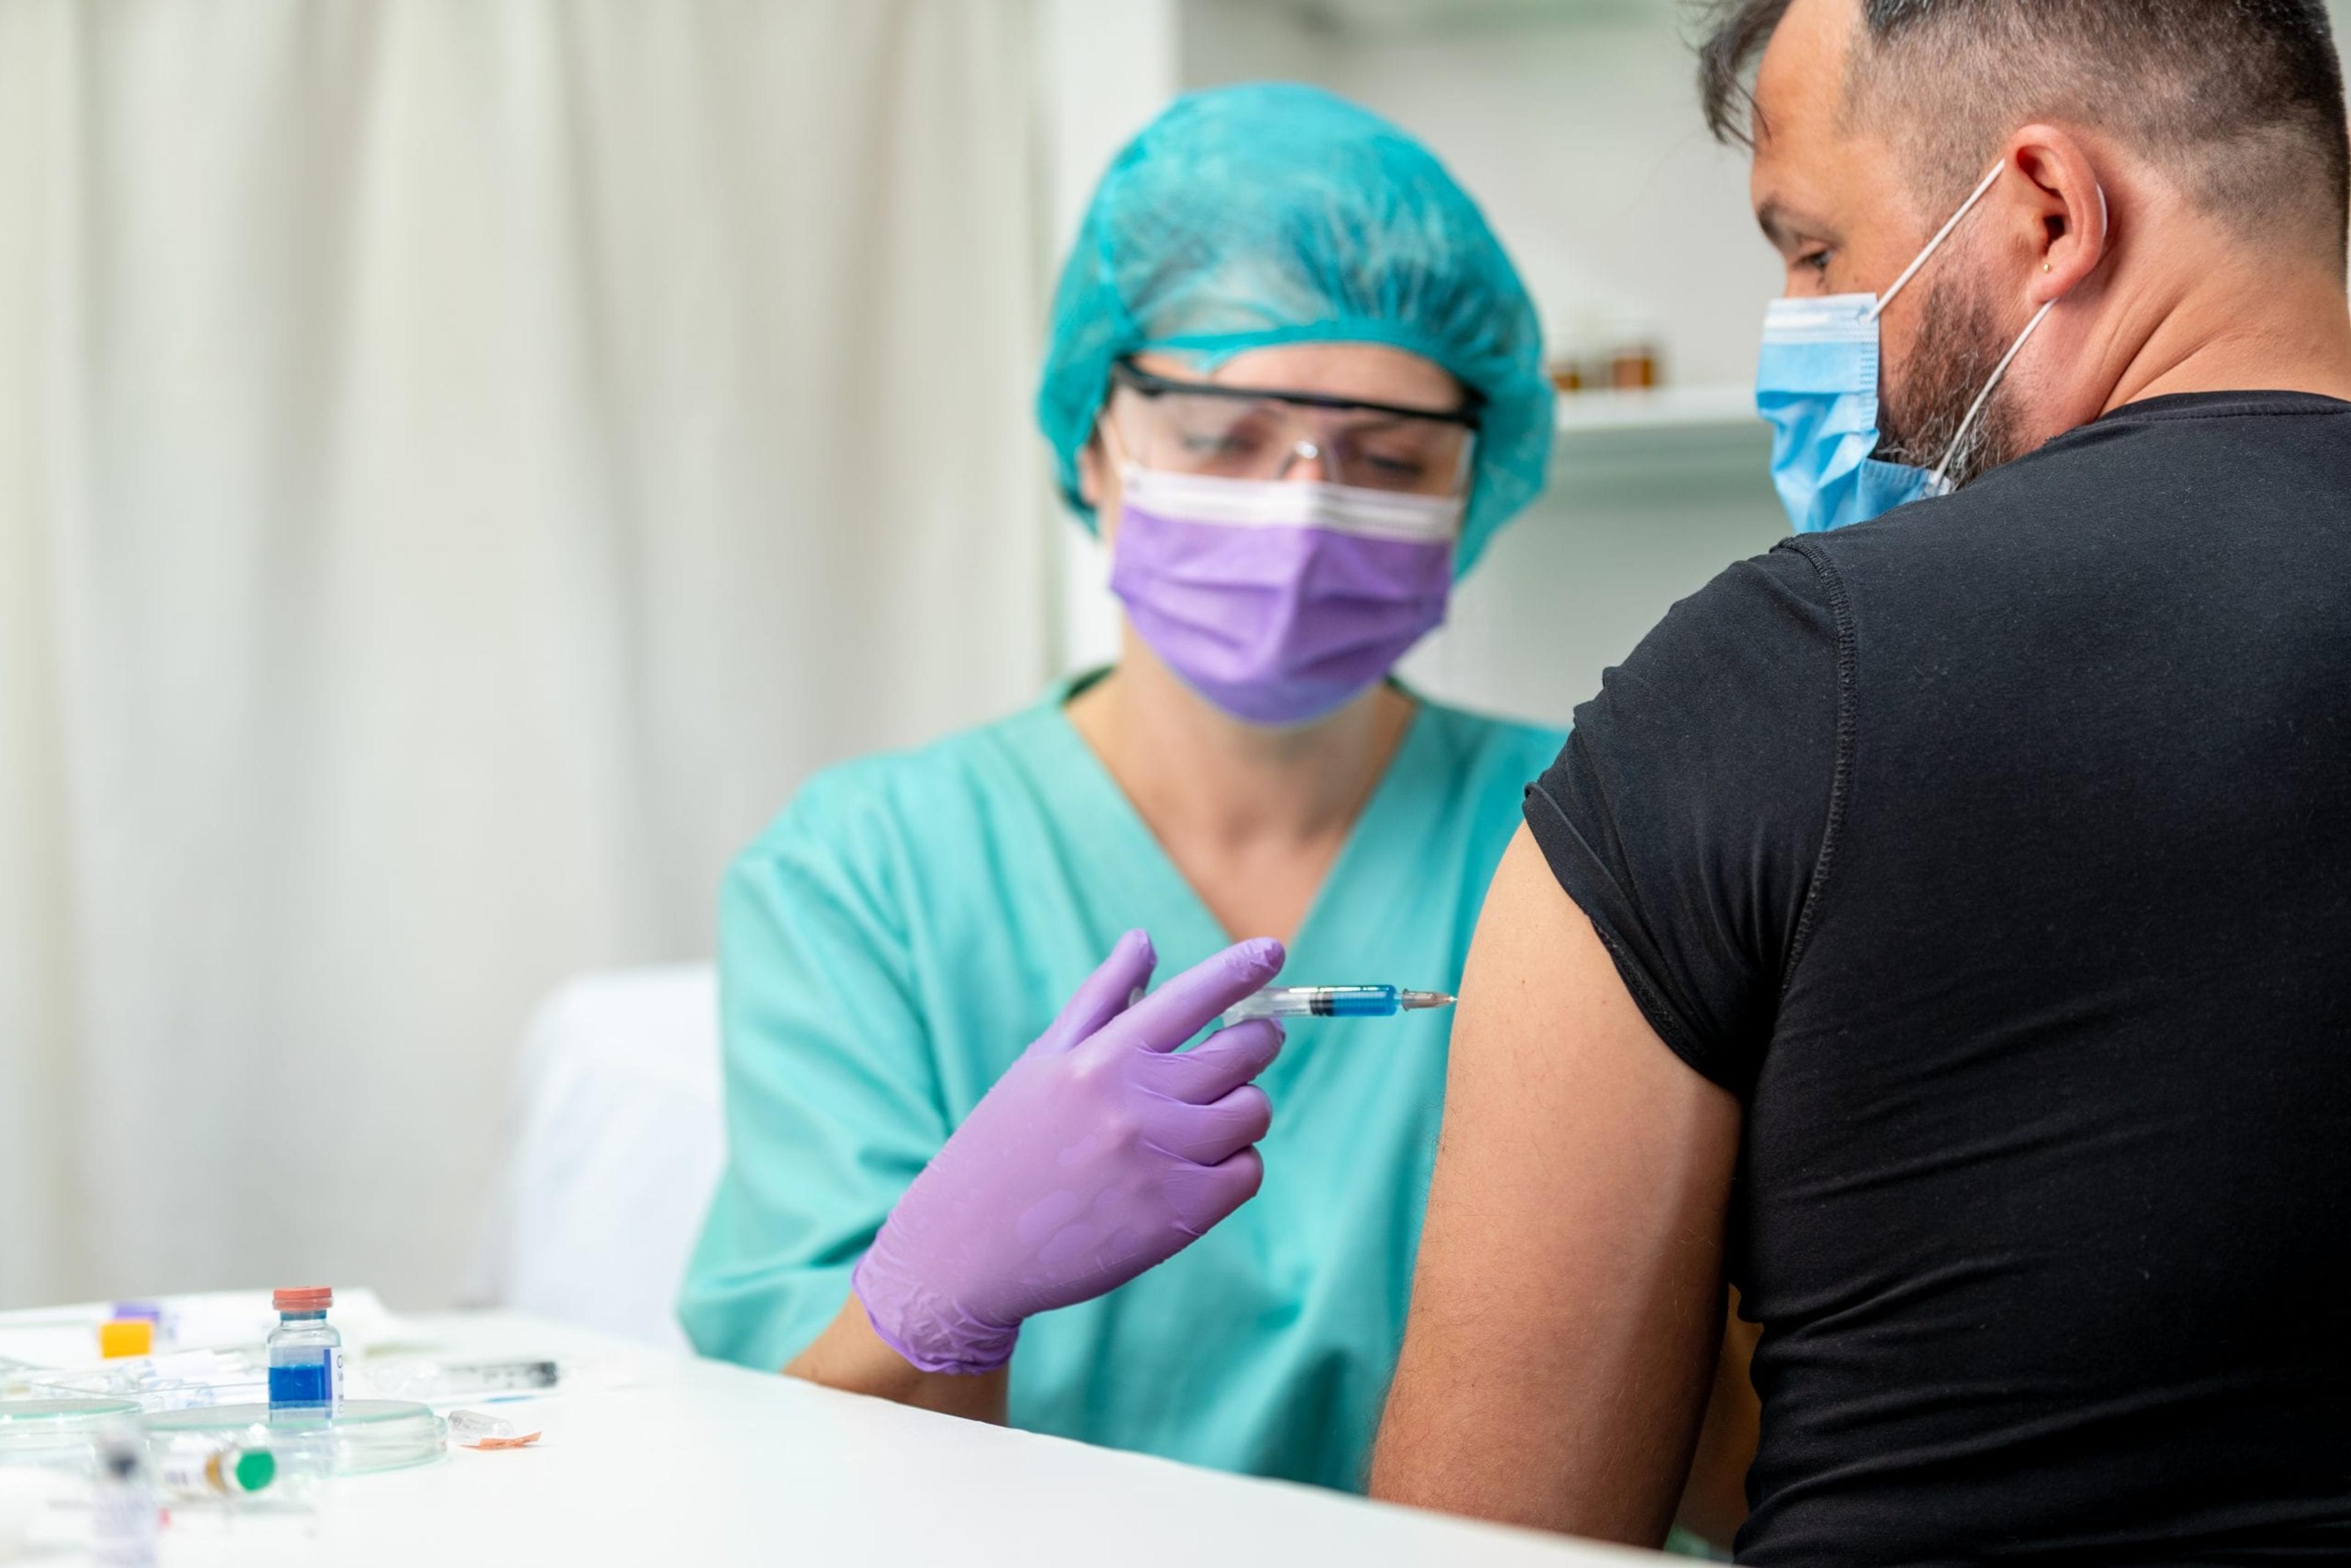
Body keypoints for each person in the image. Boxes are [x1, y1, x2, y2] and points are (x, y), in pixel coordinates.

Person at [1367, 1, 2351, 1561]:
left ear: (2047, 212)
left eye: (1815, 254)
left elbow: (1481, 1539)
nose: (1798, 319)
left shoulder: (1767, 691)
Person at [678, 83, 1570, 1497]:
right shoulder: (865, 872)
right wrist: (938, 1302)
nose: (1303, 504)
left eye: (1390, 457)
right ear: (1093, 439)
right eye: (1223, 435)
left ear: (1480, 482)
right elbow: (787, 1480)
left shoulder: (1591, 829)